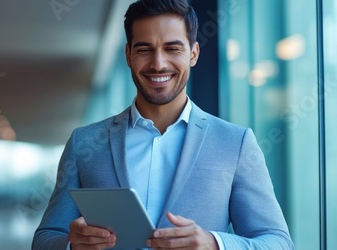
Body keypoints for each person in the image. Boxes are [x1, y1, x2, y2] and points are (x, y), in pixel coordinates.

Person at [32, 0, 294, 249]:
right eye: (144, 49)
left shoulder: (234, 143)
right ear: (128, 55)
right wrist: (71, 245)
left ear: (193, 53)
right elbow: (45, 238)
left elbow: (277, 242)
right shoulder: (85, 143)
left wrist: (214, 244)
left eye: (172, 48)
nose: (158, 64)